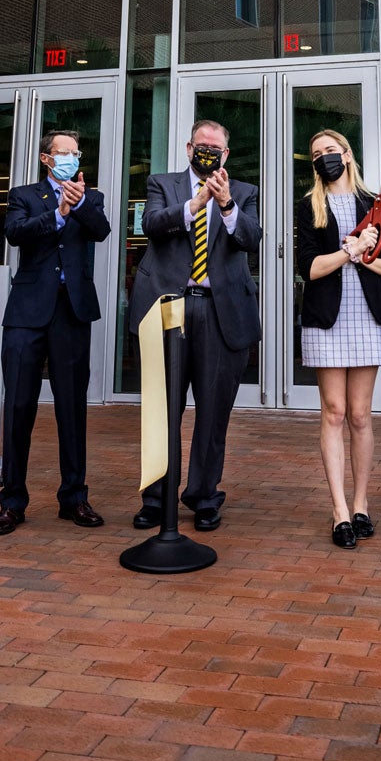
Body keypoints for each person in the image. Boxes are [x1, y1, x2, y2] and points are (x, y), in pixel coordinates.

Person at [128, 120, 261, 530]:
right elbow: (150, 224)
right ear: (189, 148)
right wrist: (195, 202)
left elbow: (252, 239)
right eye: (201, 145)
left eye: (216, 148)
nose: (208, 152)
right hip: (168, 308)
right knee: (162, 409)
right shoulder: (161, 184)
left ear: (226, 155)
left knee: (212, 411)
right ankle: (157, 497)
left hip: (219, 313)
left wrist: (224, 206)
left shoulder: (243, 192)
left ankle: (204, 495)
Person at [0, 132, 112, 536]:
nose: (72, 159)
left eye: (76, 153)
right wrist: (57, 211)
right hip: (27, 312)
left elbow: (101, 230)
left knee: (72, 408)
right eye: (64, 153)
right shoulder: (24, 194)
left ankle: (74, 497)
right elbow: (16, 233)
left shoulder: (90, 196)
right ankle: (12, 502)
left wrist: (75, 205)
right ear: (46, 158)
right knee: (19, 406)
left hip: (72, 312)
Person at [296, 130, 381, 549]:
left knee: (360, 415)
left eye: (330, 151)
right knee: (334, 412)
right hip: (327, 320)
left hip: (366, 317)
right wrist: (349, 251)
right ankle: (339, 509)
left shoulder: (372, 205)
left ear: (347, 154)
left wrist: (366, 256)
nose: (324, 158)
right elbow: (311, 268)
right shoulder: (309, 207)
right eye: (316, 153)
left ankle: (361, 504)